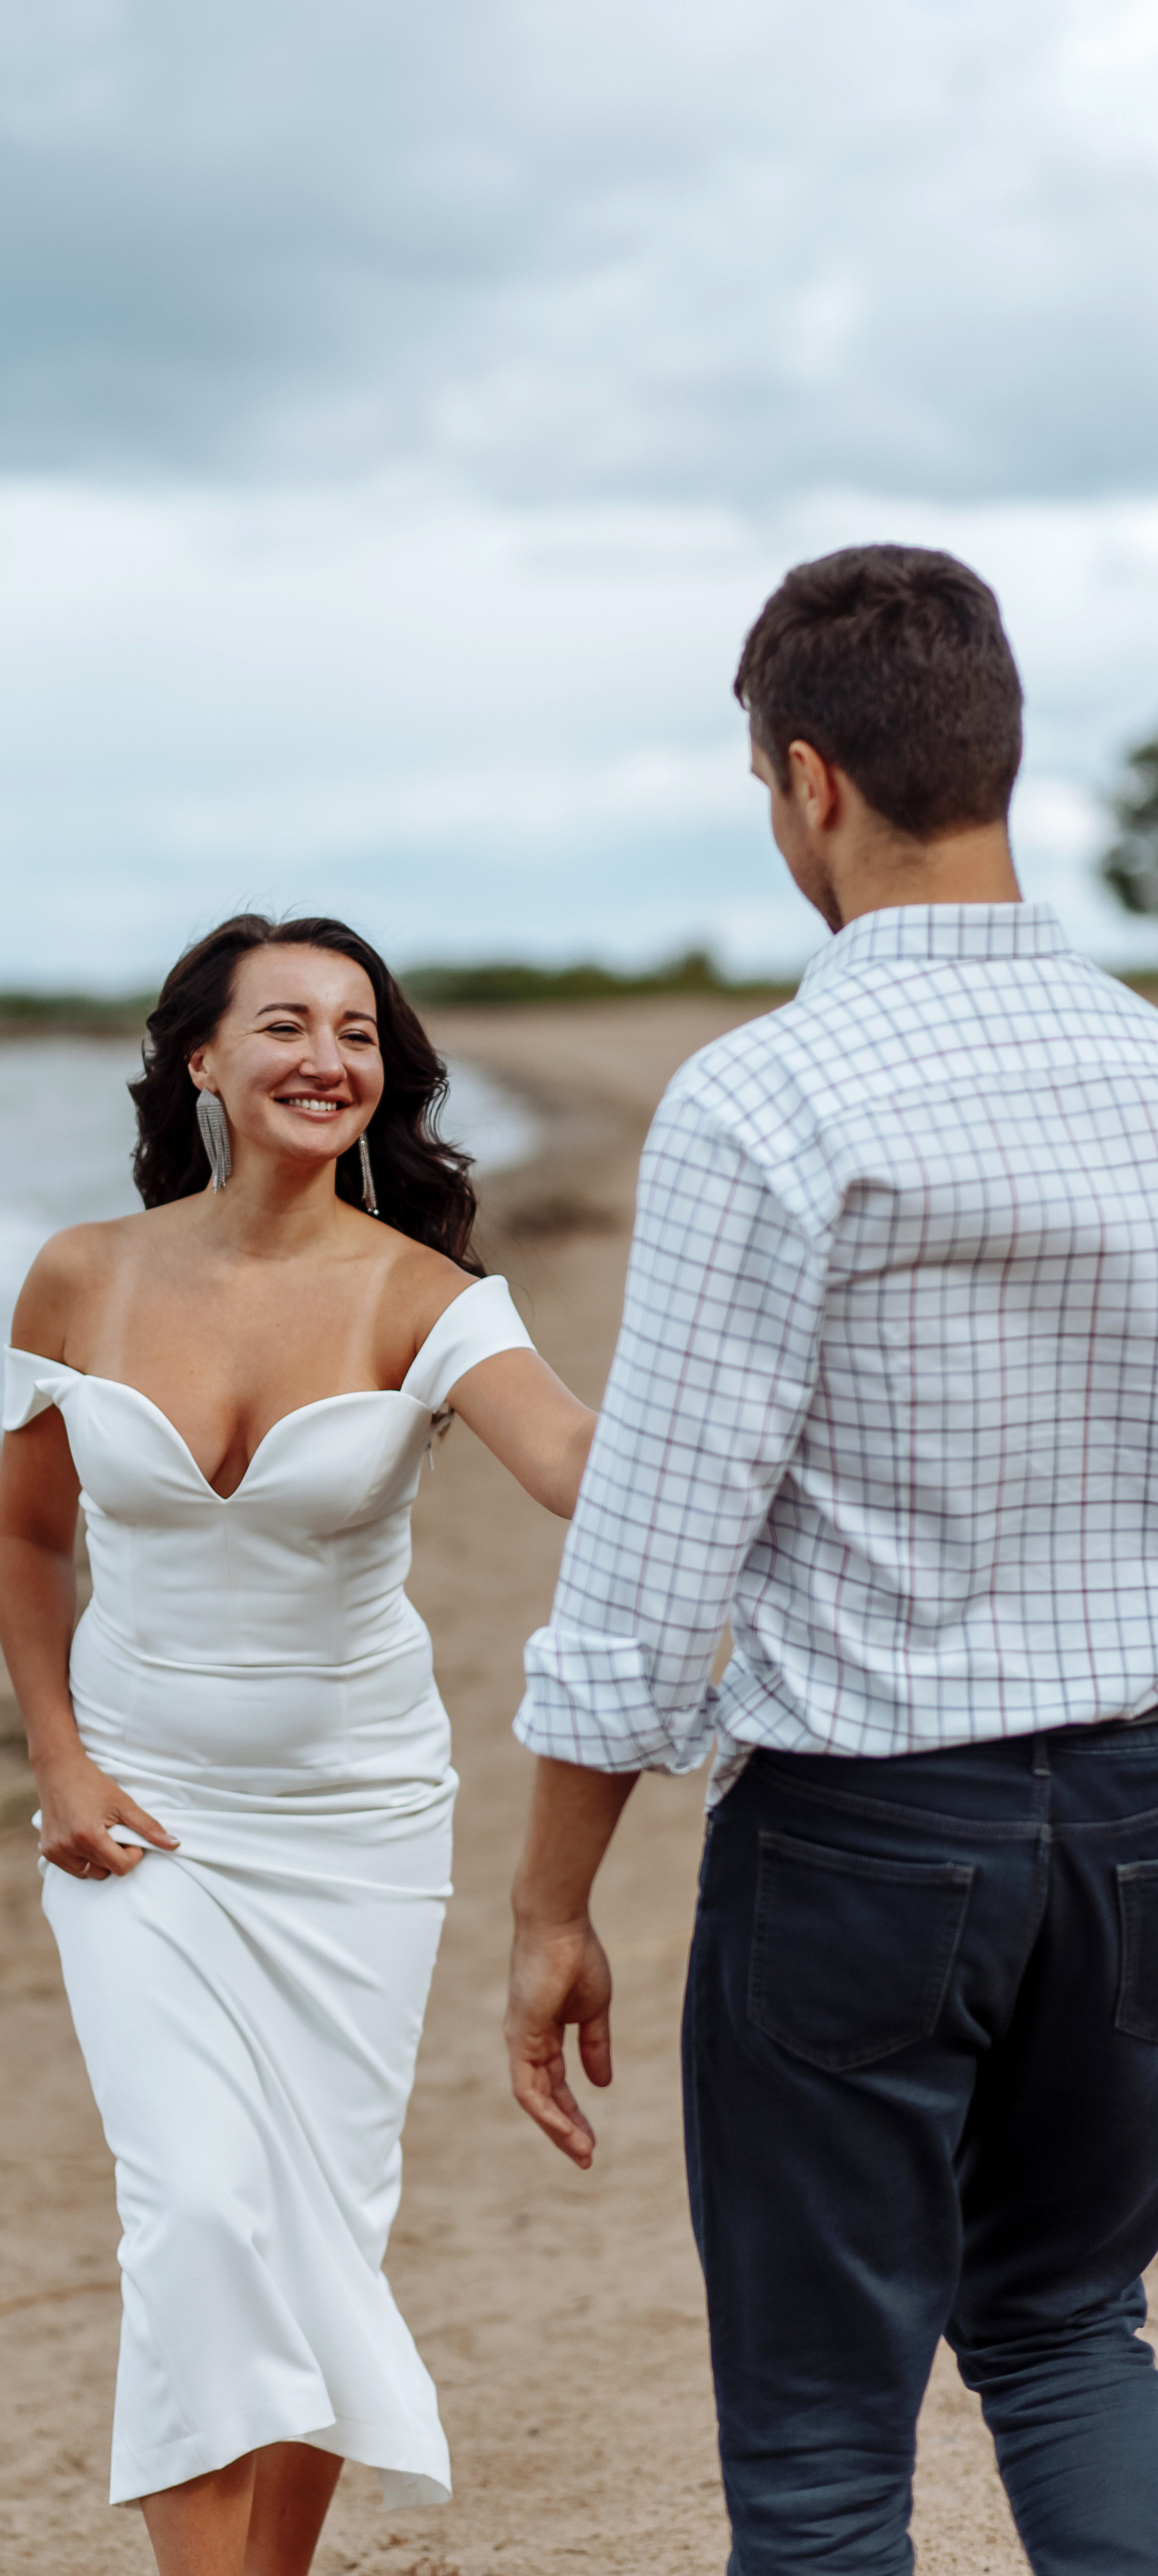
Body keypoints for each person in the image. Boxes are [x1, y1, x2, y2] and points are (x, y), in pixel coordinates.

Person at [503, 545, 1158, 2574]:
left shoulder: (769, 1101)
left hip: (869, 1846)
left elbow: (651, 1565)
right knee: (1070, 2332)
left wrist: (549, 1903)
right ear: (1004, 759)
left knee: (814, 2444)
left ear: (807, 783)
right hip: (1138, 1814)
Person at [0, 913, 595, 2576]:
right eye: (282, 1025)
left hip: (357, 1829)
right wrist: (54, 1761)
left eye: (355, 1029)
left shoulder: (430, 1298)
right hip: (140, 1811)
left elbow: (574, 1466)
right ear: (201, 1056)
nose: (325, 1056)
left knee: (316, 2232)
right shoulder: (79, 1274)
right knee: (194, 2212)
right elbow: (30, 1543)